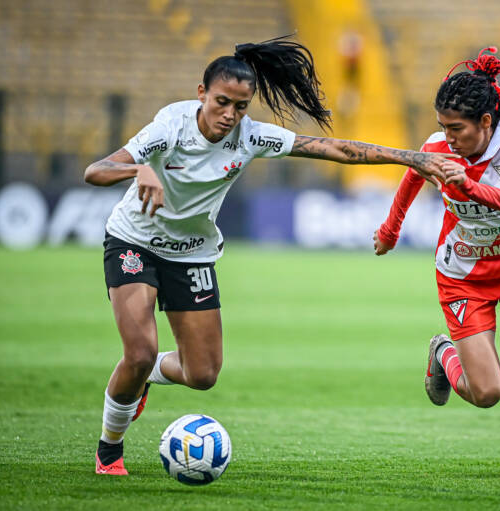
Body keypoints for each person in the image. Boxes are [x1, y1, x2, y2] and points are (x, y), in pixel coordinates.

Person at [84, 36, 455, 476]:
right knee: (141, 350)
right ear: (201, 93)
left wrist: (412, 158)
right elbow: (97, 171)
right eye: (222, 102)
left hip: (192, 253)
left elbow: (334, 149)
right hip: (135, 241)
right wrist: (139, 169)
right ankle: (110, 449)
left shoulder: (251, 136)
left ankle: (145, 377)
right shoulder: (170, 125)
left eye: (241, 106)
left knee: (202, 374)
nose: (230, 115)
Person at [374, 47, 500, 478]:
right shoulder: (437, 149)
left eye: (456, 128)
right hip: (464, 277)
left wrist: (471, 188)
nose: (448, 137)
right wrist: (390, 231)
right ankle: (443, 352)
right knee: (487, 393)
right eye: (442, 127)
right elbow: (410, 180)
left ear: (486, 123)